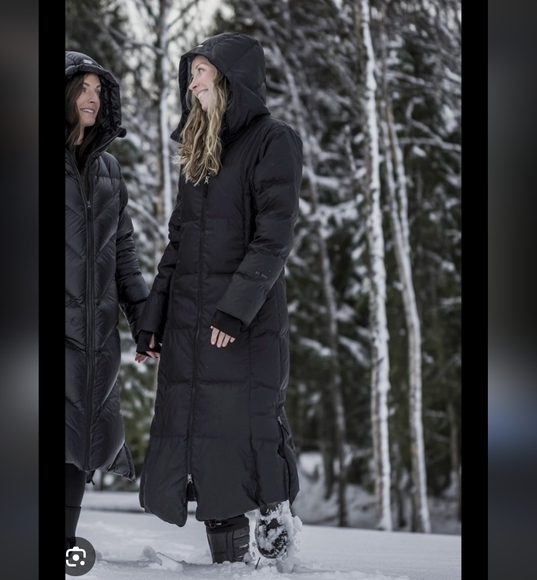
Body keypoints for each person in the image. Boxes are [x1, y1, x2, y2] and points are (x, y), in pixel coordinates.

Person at [135, 32, 303, 564]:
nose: (193, 83)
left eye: (202, 71)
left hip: (244, 324)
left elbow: (274, 237)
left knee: (248, 428)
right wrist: (154, 317)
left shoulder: (273, 140)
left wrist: (235, 309)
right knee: (201, 444)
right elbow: (179, 241)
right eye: (191, 74)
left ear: (232, 77)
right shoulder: (198, 146)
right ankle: (228, 568)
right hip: (190, 320)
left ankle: (276, 530)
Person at [65, 51, 150, 550]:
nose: (92, 98)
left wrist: (144, 321)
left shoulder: (109, 171)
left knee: (81, 440)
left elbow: (124, 257)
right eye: (82, 87)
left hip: (96, 336)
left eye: (99, 90)